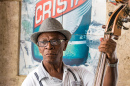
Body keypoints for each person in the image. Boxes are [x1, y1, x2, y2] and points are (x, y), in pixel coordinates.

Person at [22, 17, 118, 86]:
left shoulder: (80, 73)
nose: (49, 46)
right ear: (39, 47)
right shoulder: (32, 81)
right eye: (43, 42)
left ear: (65, 45)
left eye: (55, 41)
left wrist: (112, 61)